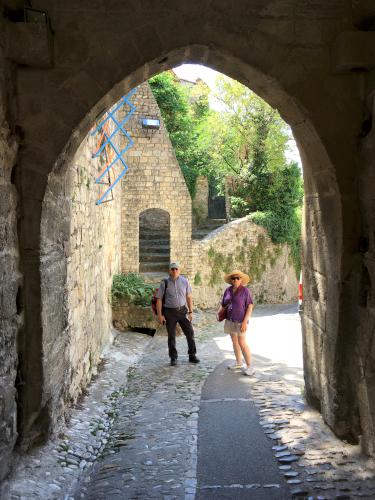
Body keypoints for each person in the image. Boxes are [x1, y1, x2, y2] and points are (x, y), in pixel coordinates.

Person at [156, 262, 200, 366]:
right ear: (169, 271)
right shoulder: (164, 283)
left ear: (179, 270)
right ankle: (173, 358)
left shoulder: (185, 281)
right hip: (169, 312)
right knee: (171, 336)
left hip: (182, 311)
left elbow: (189, 297)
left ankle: (192, 355)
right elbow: (159, 300)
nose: (174, 271)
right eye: (172, 269)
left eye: (176, 269)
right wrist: (160, 315)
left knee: (190, 333)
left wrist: (190, 311)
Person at [217, 270, 254, 376]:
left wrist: (245, 322)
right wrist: (218, 312)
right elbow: (223, 304)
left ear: (241, 280)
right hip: (230, 320)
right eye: (233, 278)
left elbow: (250, 306)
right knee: (234, 341)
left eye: (238, 278)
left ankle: (250, 366)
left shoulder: (245, 291)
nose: (235, 280)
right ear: (231, 280)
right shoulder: (228, 290)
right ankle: (238, 362)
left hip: (240, 321)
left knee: (242, 342)